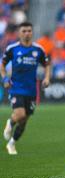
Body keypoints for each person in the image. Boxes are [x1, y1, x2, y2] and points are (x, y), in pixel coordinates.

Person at [0, 22, 50, 155]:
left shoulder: (38, 49)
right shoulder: (12, 49)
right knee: (19, 114)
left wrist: (47, 78)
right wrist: (5, 78)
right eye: (24, 31)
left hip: (32, 90)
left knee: (23, 121)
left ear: (32, 32)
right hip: (16, 88)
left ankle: (12, 143)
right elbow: (3, 65)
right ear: (19, 33)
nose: (27, 33)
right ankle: (10, 122)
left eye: (29, 30)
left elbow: (47, 64)